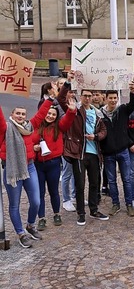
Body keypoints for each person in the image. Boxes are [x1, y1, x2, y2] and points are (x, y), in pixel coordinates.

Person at [1, 99, 54, 247]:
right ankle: (21, 233)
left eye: (23, 114)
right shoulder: (6, 128)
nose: (20, 116)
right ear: (12, 114)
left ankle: (30, 225)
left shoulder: (29, 126)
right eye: (17, 113)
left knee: (36, 201)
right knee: (14, 204)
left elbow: (41, 114)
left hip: (30, 167)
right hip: (13, 169)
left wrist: (50, 99)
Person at [58, 73, 109, 226]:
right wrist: (68, 82)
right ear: (80, 96)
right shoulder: (75, 111)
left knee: (94, 183)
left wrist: (96, 136)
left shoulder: (97, 113)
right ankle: (81, 213)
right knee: (80, 185)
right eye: (85, 95)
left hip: (94, 153)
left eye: (90, 95)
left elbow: (104, 131)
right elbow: (60, 99)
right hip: (79, 153)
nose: (87, 98)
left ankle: (94, 210)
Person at [33, 97, 77, 230]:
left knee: (54, 191)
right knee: (40, 192)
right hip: (38, 164)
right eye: (49, 113)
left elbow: (68, 120)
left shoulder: (59, 127)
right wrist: (33, 148)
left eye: (54, 114)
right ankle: (41, 217)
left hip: (53, 163)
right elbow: (27, 142)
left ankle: (56, 214)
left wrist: (71, 111)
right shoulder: (35, 126)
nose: (51, 116)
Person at [100, 84, 134, 217]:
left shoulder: (122, 110)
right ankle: (115, 204)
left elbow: (133, 105)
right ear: (105, 99)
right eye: (110, 98)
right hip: (108, 152)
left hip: (123, 151)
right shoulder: (100, 114)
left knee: (127, 179)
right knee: (111, 180)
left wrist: (133, 92)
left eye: (115, 98)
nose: (113, 100)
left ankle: (129, 204)